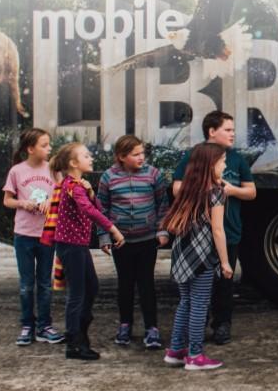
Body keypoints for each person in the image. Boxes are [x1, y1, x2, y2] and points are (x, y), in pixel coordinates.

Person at [172, 110, 255, 345]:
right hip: (200, 236)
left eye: (232, 130)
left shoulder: (236, 158)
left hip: (228, 232)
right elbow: (177, 188)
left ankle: (222, 324)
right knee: (198, 287)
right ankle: (196, 329)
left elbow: (251, 192)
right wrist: (206, 188)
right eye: (227, 130)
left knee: (225, 283)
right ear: (212, 131)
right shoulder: (195, 156)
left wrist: (231, 190)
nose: (232, 134)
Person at [51, 142, 126, 361]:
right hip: (70, 246)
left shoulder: (79, 185)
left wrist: (91, 192)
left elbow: (96, 207)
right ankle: (75, 343)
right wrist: (113, 230)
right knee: (77, 294)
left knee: (91, 288)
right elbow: (89, 211)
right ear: (73, 163)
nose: (91, 157)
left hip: (78, 246)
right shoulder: (72, 186)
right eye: (86, 155)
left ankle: (80, 336)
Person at [161, 143, 231, 371]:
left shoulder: (187, 189)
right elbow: (218, 230)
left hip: (181, 254)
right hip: (202, 257)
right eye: (222, 161)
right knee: (200, 305)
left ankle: (176, 350)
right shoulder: (216, 192)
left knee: (185, 302)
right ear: (211, 165)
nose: (225, 164)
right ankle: (194, 354)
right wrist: (225, 261)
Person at [97, 135, 171, 350]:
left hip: (147, 239)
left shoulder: (153, 174)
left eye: (142, 153)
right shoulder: (108, 177)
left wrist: (162, 229)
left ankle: (152, 328)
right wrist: (104, 236)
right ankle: (125, 325)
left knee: (147, 283)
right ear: (121, 157)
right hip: (122, 242)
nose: (141, 157)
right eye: (135, 154)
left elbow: (162, 204)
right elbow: (100, 210)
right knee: (125, 284)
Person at [3, 128, 64, 347]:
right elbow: (7, 200)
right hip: (24, 235)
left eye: (49, 145)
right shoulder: (16, 171)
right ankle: (27, 325)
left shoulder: (54, 170)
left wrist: (52, 202)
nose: (49, 149)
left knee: (45, 284)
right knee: (26, 284)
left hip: (47, 234)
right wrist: (23, 203)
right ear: (30, 149)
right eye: (44, 145)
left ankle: (44, 327)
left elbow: (63, 195)